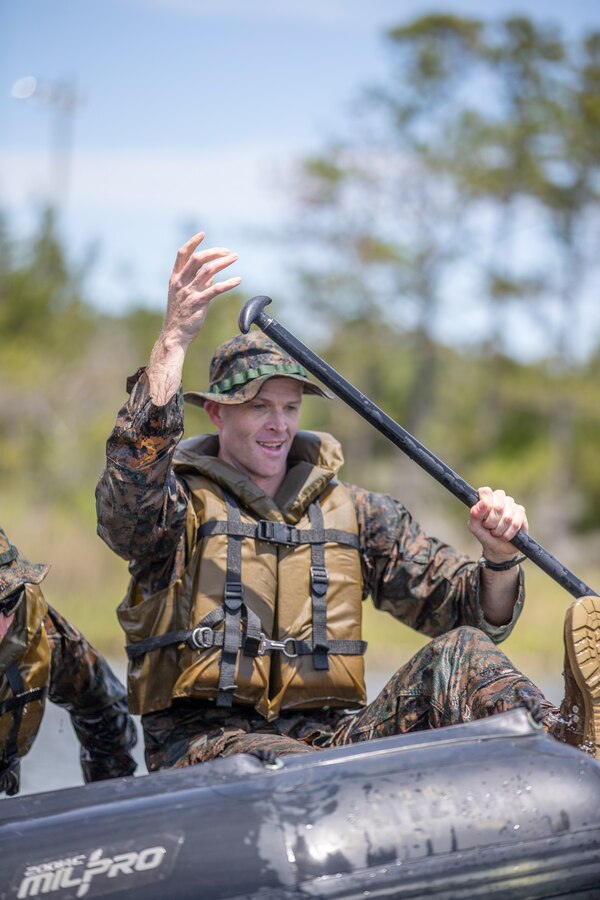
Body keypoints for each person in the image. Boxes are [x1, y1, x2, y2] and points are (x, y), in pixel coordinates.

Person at [96, 231, 600, 773]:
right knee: (279, 763)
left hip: (326, 743)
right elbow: (127, 504)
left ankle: (568, 744)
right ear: (217, 413)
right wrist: (172, 343)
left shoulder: (355, 512)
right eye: (258, 406)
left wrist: (500, 557)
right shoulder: (177, 509)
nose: (278, 424)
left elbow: (471, 610)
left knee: (461, 656)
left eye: (290, 408)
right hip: (206, 745)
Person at [0, 527, 138, 796]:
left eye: (9, 600)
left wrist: (109, 805)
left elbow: (105, 707)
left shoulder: (35, 632)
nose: (2, 623)